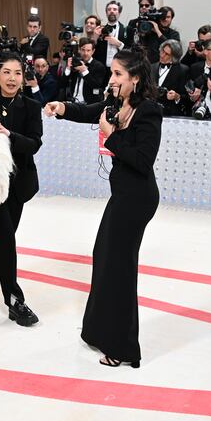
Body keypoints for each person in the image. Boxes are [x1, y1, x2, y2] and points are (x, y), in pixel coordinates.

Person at [44, 48, 162, 368]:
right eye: (112, 73)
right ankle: (98, 333)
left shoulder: (149, 111)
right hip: (122, 195)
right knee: (104, 258)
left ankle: (124, 349)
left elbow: (142, 160)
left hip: (137, 199)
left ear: (135, 79)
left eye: (118, 74)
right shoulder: (115, 104)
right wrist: (62, 107)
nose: (112, 79)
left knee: (120, 270)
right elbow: (88, 111)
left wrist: (111, 137)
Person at [0, 53, 42, 326]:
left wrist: (9, 135)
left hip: (19, 184)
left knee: (4, 239)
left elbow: (35, 143)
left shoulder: (31, 106)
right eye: (6, 72)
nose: (12, 78)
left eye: (17, 73)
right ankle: (15, 300)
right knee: (6, 236)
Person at [150, 39, 188, 116]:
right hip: (151, 111)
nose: (162, 55)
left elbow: (187, 97)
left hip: (171, 113)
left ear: (174, 57)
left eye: (167, 54)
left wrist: (177, 96)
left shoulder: (183, 70)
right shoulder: (152, 67)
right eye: (162, 51)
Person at [64, 37, 107, 104]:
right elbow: (63, 83)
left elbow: (96, 85)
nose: (85, 53)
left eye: (88, 50)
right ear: (79, 50)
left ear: (93, 51)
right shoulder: (76, 62)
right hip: (73, 101)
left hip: (89, 104)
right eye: (83, 50)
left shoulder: (99, 66)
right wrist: (68, 68)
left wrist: (84, 71)